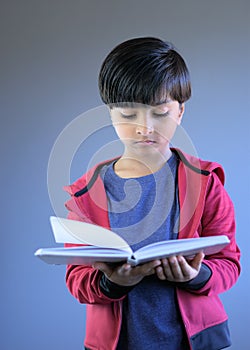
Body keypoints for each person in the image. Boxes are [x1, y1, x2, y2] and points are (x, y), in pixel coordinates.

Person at [64, 37, 240, 350]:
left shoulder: (206, 182)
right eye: (129, 115)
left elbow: (229, 263)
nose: (145, 128)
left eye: (160, 112)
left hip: (196, 342)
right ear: (110, 114)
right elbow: (76, 279)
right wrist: (111, 283)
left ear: (180, 112)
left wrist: (196, 275)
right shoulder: (86, 195)